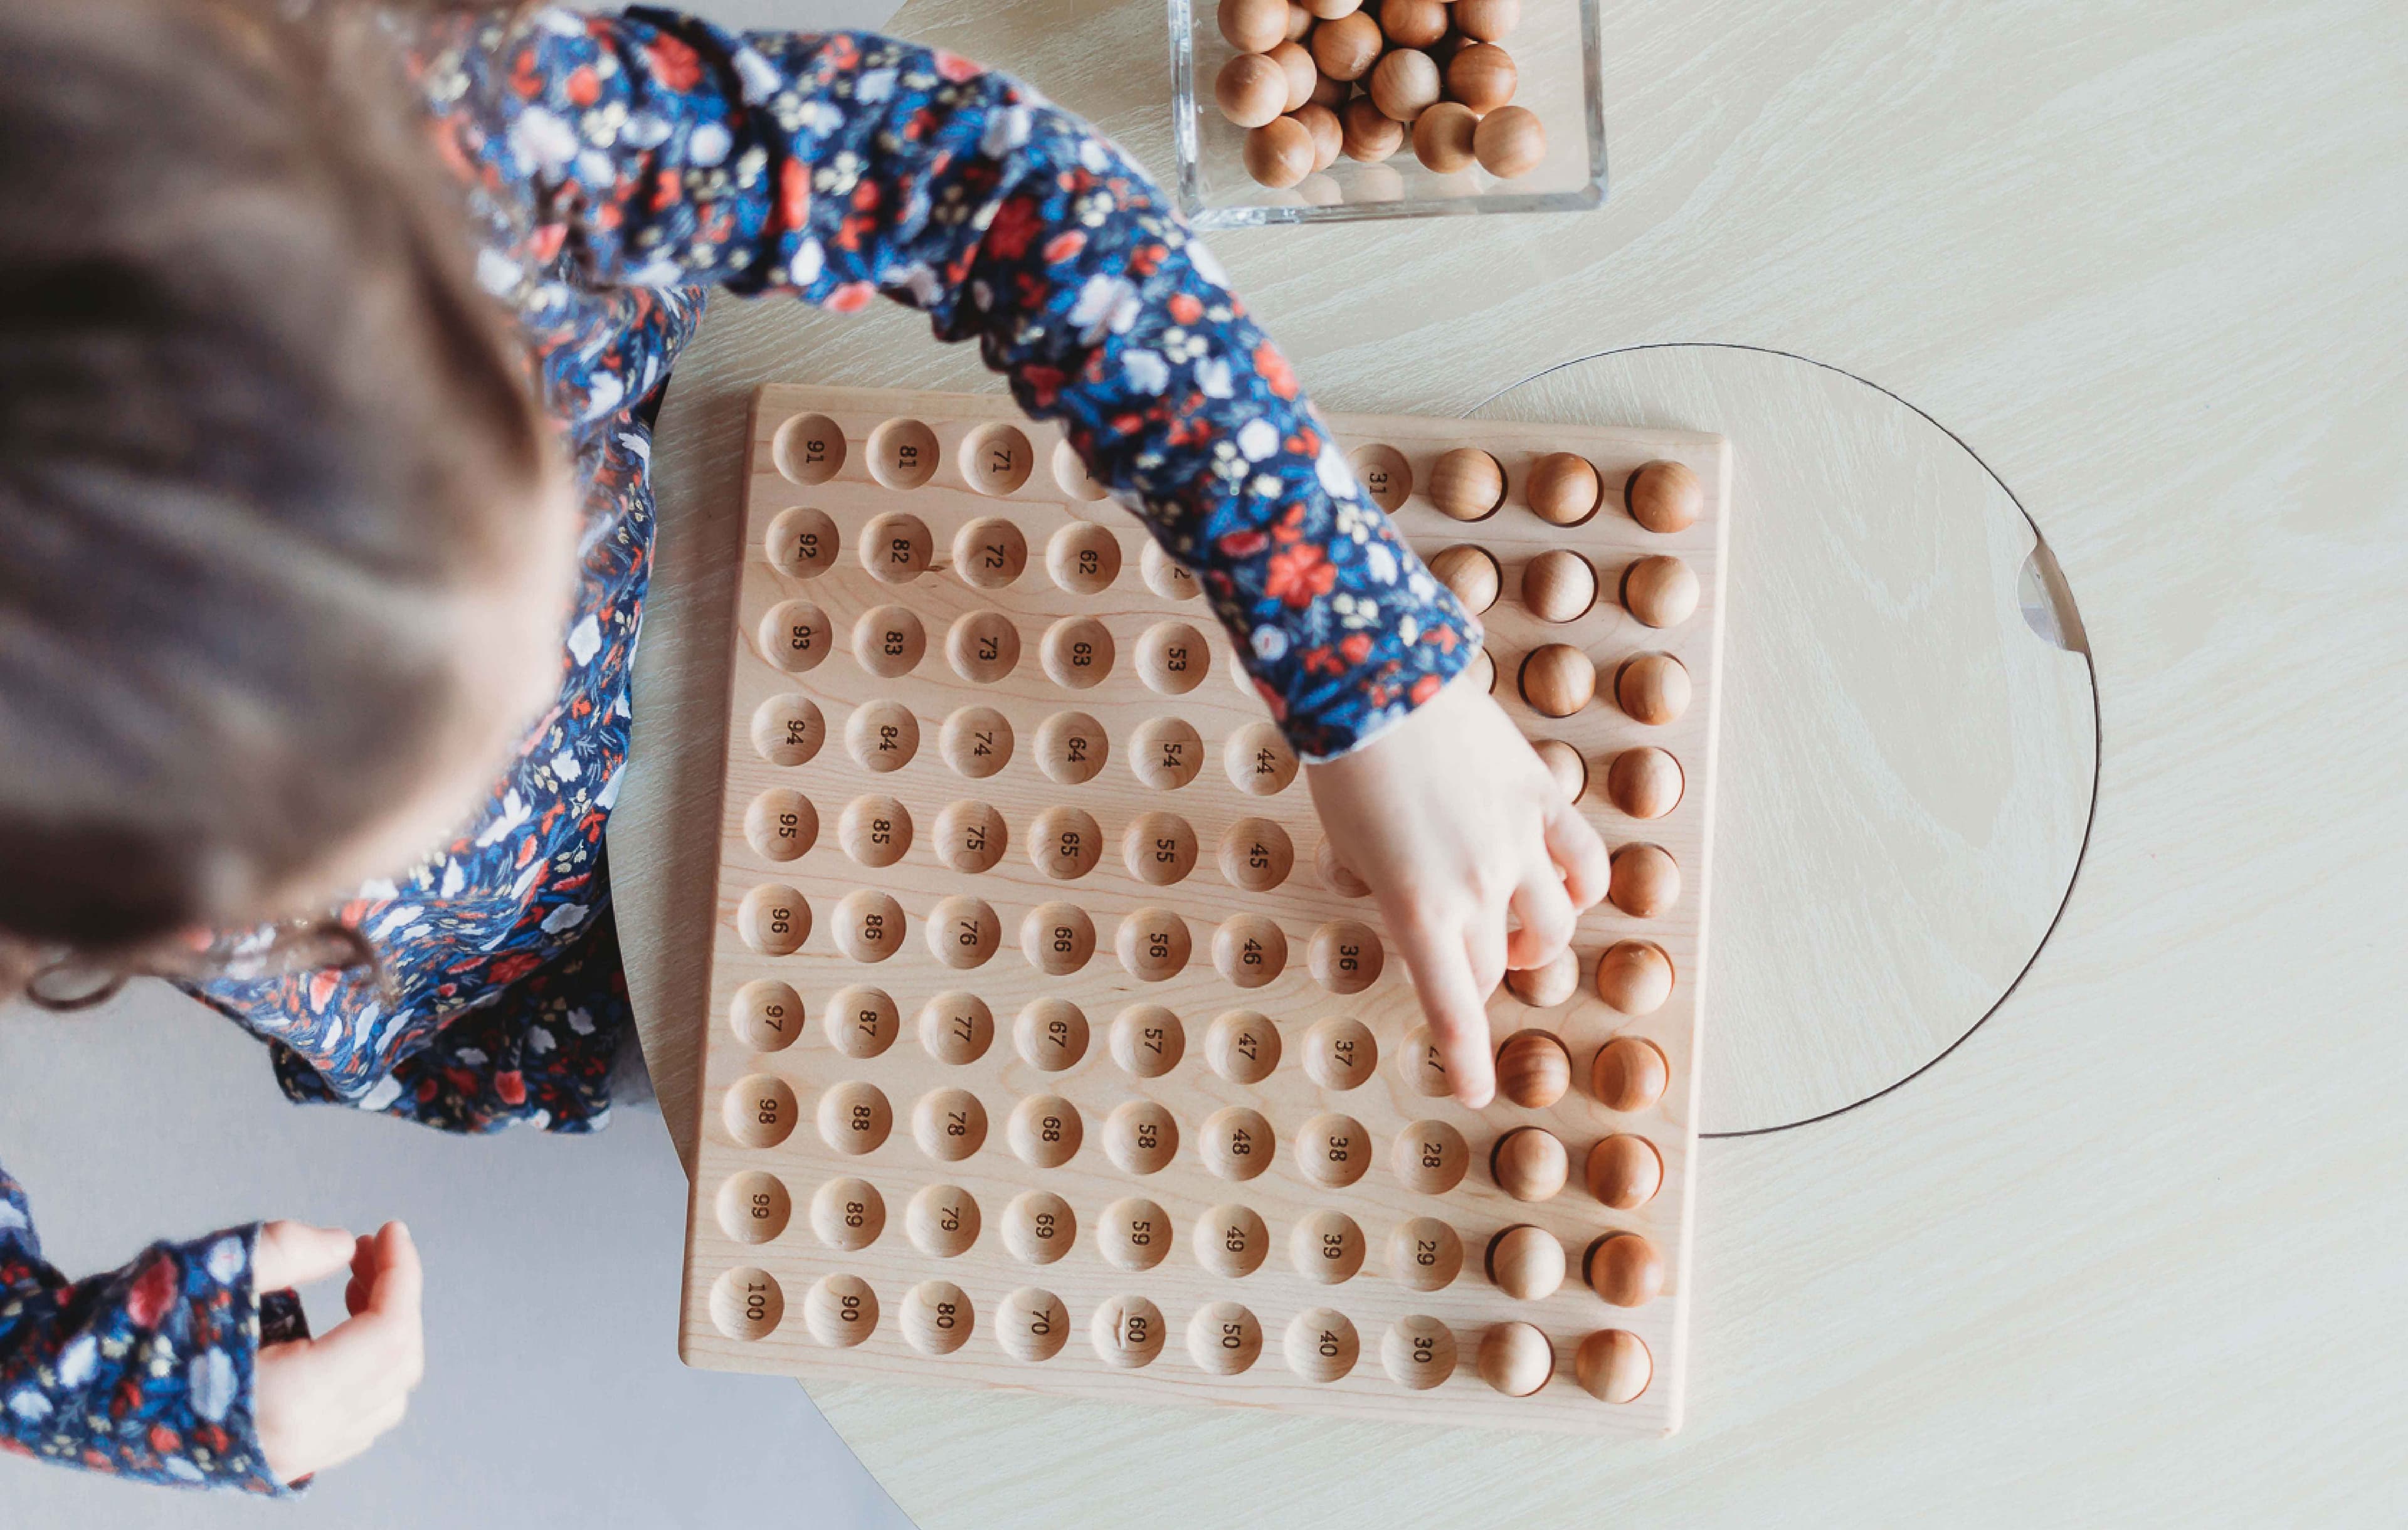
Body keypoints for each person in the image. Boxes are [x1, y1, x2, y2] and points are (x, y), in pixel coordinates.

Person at [0, 0, 1608, 1494]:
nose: (506, 713)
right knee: (798, 1085)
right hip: (503, 978)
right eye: (347, 834)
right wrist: (105, 1379)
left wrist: (1375, 671)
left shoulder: (424, 140)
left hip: (731, 531)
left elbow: (985, 181)